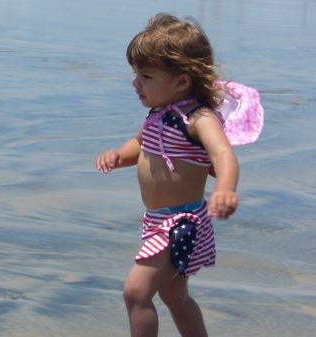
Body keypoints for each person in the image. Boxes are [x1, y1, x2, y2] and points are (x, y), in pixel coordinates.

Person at [95, 13, 239, 337]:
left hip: (182, 222)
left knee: (136, 292)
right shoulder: (158, 114)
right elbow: (140, 143)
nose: (136, 83)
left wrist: (226, 188)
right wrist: (118, 155)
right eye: (136, 74)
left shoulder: (199, 119)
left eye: (145, 76)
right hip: (157, 220)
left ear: (182, 81)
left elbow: (223, 153)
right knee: (174, 295)